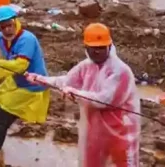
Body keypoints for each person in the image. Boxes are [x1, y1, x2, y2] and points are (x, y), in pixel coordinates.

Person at [26, 23, 140, 167]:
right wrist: (40, 79)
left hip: (119, 133)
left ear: (109, 47)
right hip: (95, 131)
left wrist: (75, 93)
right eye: (93, 48)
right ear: (86, 48)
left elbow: (104, 100)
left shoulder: (120, 71)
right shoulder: (86, 66)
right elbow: (66, 82)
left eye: (101, 48)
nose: (97, 52)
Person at [0, 6, 50, 163]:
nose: (7, 29)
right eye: (3, 26)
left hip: (31, 86)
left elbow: (20, 65)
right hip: (16, 81)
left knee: (2, 122)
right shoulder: (1, 37)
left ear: (15, 21)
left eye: (9, 25)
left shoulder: (27, 39)